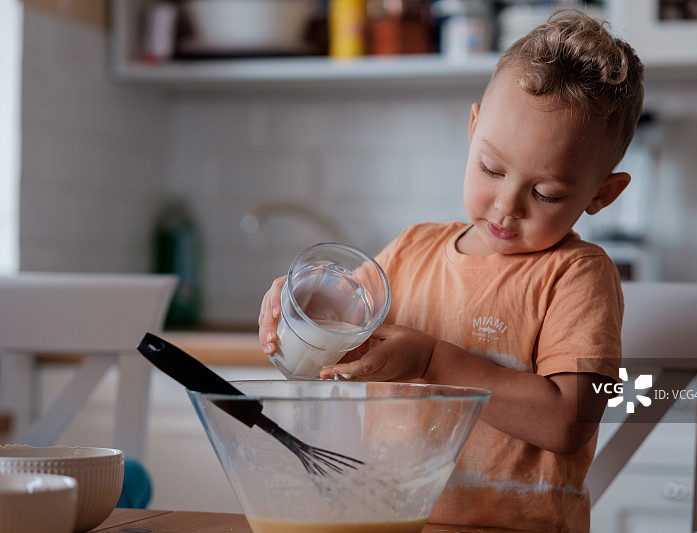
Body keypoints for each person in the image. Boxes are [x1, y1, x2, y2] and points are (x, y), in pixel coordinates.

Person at [258, 9, 644, 532]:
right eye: (492, 169)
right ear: (472, 127)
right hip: (389, 523)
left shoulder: (577, 276)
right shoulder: (412, 249)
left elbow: (568, 420)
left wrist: (434, 361)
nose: (508, 206)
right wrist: (298, 306)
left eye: (546, 193)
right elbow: (341, 325)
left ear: (602, 193)